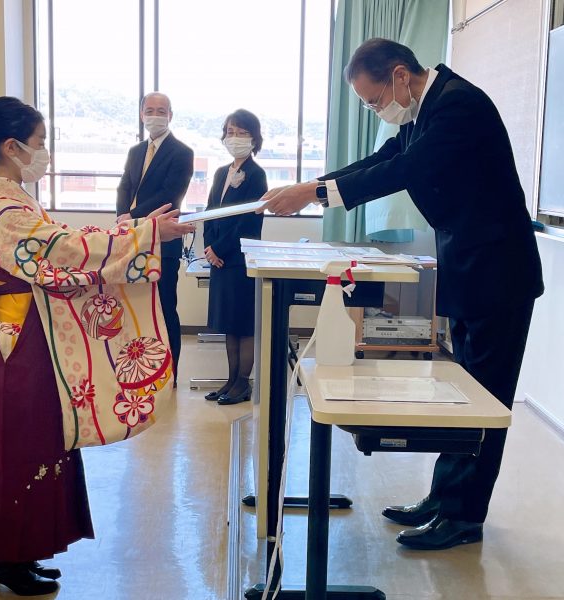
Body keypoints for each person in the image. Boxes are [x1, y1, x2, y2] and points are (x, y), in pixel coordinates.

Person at [261, 38, 544, 550]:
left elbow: (403, 172)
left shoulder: (459, 105)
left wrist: (313, 194)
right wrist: (314, 185)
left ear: (398, 75)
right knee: (466, 395)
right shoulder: (421, 109)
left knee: (486, 397)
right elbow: (384, 156)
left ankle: (463, 516)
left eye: (373, 100)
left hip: (499, 274)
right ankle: (444, 498)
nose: (377, 110)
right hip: (469, 266)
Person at [0, 96, 194, 595]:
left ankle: (15, 555)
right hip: (17, 331)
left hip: (24, 324)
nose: (45, 152)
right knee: (21, 436)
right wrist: (146, 232)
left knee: (39, 431)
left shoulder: (12, 197)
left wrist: (136, 229)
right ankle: (5, 558)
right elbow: (66, 250)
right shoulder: (6, 206)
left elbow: (64, 240)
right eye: (40, 143)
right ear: (11, 146)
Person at [117, 92, 194, 386]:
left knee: (164, 306)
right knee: (135, 307)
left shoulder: (182, 152)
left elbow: (169, 195)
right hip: (132, 240)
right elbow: (124, 186)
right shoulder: (136, 151)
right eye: (150, 110)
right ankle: (141, 370)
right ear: (141, 114)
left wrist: (131, 216)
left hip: (164, 242)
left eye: (161, 110)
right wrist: (122, 216)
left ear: (171, 115)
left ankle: (170, 373)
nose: (155, 115)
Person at [203, 109, 267, 405]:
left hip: (241, 258)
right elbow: (210, 212)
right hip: (219, 260)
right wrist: (208, 247)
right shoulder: (220, 173)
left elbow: (248, 223)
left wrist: (220, 249)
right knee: (229, 323)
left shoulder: (257, 174)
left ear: (254, 138)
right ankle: (230, 381)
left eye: (242, 132)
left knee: (243, 323)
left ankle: (243, 384)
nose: (235, 138)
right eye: (230, 131)